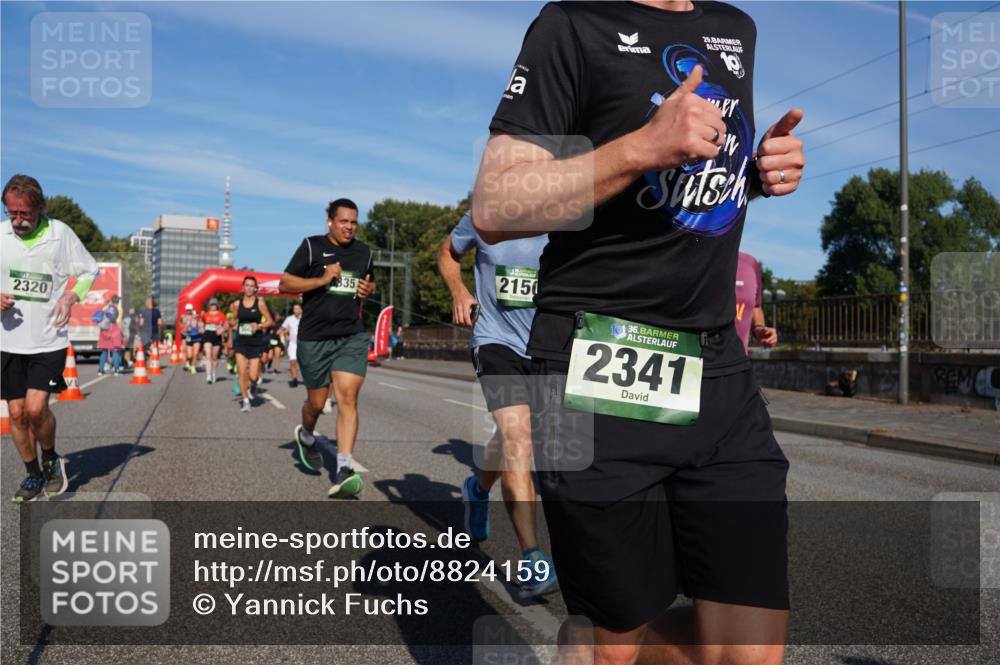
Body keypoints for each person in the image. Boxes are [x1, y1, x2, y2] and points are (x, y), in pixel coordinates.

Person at [472, 2, 805, 663]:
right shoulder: (574, 24)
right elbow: (495, 203)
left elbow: (689, 184)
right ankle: (593, 638)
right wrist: (638, 147)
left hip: (716, 369)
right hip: (593, 364)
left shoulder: (736, 29)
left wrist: (757, 174)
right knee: (610, 648)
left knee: (748, 653)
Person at [438, 211, 557, 598]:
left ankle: (477, 486)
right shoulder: (484, 214)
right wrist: (459, 292)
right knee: (519, 440)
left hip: (545, 345)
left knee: (514, 438)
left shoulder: (565, 213)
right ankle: (533, 558)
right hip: (494, 341)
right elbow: (447, 253)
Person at [1, 174, 99, 503]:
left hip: (49, 339)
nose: (17, 220)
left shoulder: (60, 234)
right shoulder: (1, 235)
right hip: (7, 340)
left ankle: (52, 459)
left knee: (35, 408)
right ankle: (32, 475)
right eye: (11, 213)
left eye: (24, 213)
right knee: (16, 414)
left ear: (39, 207)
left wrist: (70, 298)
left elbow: (89, 270)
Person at [279, 198, 376, 498]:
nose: (349, 227)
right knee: (317, 404)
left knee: (347, 397)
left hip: (350, 336)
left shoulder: (364, 252)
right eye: (343, 221)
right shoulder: (311, 246)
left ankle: (344, 466)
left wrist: (368, 289)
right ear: (330, 222)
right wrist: (322, 279)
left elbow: (369, 284)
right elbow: (285, 283)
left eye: (354, 222)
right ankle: (306, 435)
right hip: (314, 337)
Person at [230, 276, 273, 412]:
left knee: (253, 376)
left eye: (251, 286)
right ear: (242, 287)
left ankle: (253, 385)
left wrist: (259, 325)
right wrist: (232, 325)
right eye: (246, 285)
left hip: (255, 343)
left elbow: (270, 321)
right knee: (242, 372)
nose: (249, 288)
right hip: (241, 343)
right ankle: (245, 401)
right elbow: (233, 321)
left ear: (255, 288)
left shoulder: (259, 303)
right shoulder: (237, 304)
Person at [735, 252, 777, 352]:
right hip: (695, 362)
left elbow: (756, 306)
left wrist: (759, 328)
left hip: (737, 361)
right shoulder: (693, 259)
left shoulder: (749, 263)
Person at [201, 297, 228, 383]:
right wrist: (201, 328)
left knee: (214, 357)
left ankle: (213, 373)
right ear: (209, 306)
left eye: (214, 305)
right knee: (208, 355)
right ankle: (208, 375)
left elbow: (227, 325)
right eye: (211, 305)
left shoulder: (221, 315)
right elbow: (201, 323)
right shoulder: (205, 314)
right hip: (207, 335)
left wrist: (222, 330)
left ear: (217, 306)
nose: (213, 306)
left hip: (216, 336)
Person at [96, 294, 123, 376]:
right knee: (115, 351)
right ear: (118, 302)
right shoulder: (118, 309)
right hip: (114, 330)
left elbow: (100, 319)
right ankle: (116, 370)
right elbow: (118, 322)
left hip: (104, 331)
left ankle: (100, 370)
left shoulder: (105, 308)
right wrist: (122, 333)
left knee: (104, 351)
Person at [280, 303, 303, 387]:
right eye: (294, 309)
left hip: (304, 344)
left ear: (301, 309)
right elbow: (283, 328)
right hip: (293, 343)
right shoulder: (289, 319)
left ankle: (308, 380)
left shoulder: (306, 318)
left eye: (297, 309)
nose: (295, 311)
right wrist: (283, 333)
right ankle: (294, 379)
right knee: (293, 362)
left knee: (304, 363)